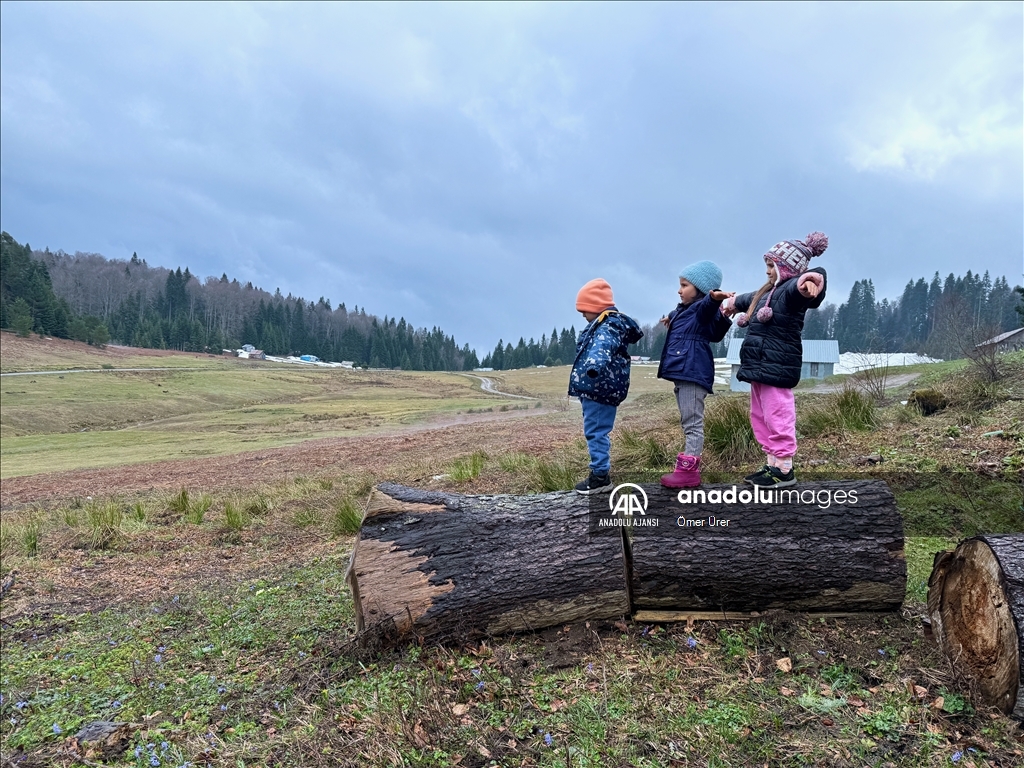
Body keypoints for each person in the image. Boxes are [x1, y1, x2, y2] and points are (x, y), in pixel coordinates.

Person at [721, 232, 829, 488]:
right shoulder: (769, 293)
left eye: (772, 266)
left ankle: (784, 468)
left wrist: (810, 280)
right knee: (760, 415)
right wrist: (732, 302)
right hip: (760, 366)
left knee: (778, 414)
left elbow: (805, 283)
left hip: (777, 365)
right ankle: (772, 463)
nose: (768, 272)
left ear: (787, 268)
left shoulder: (791, 292)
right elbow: (749, 299)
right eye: (767, 266)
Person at [657, 261, 733, 488]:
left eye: (684, 285)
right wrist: (670, 317)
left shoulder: (702, 310)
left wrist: (715, 297)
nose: (679, 290)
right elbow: (680, 313)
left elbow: (707, 306)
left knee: (693, 423)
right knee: (687, 421)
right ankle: (687, 468)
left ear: (701, 290)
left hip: (692, 372)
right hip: (685, 372)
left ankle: (689, 472)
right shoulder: (684, 310)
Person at [569, 278, 643, 494]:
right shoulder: (603, 324)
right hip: (596, 388)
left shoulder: (608, 326)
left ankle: (600, 475)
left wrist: (593, 366)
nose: (583, 314)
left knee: (596, 431)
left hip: (600, 388)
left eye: (585, 309)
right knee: (595, 430)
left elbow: (602, 348)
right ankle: (599, 472)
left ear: (597, 307)